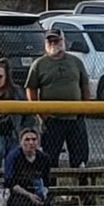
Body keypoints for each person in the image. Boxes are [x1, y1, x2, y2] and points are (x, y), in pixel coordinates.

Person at [25, 27, 91, 169]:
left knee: (80, 158)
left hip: (75, 118)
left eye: (56, 40)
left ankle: (82, 188)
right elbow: (31, 88)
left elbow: (84, 84)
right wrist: (41, 114)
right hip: (52, 120)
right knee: (50, 158)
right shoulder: (39, 64)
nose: (53, 43)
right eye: (50, 40)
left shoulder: (75, 62)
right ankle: (51, 188)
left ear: (63, 41)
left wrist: (85, 107)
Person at [4, 127, 58, 206]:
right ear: (20, 142)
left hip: (37, 194)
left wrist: (43, 192)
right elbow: (11, 184)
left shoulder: (43, 158)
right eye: (27, 140)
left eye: (34, 139)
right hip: (19, 195)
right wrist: (29, 195)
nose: (31, 143)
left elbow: (47, 181)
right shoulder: (14, 157)